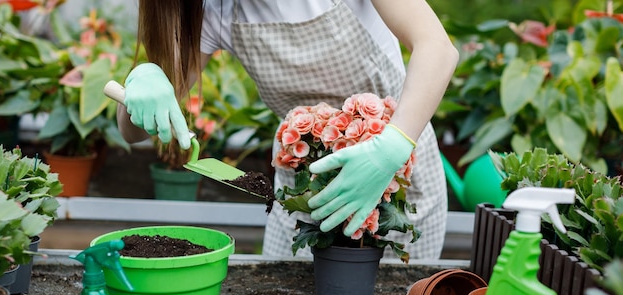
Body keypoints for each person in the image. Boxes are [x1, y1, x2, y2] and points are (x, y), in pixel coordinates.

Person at [115, 0, 459, 260]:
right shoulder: (218, 11)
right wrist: (144, 77)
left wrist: (392, 147)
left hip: (395, 175)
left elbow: (437, 48)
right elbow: (132, 133)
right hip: (303, 189)